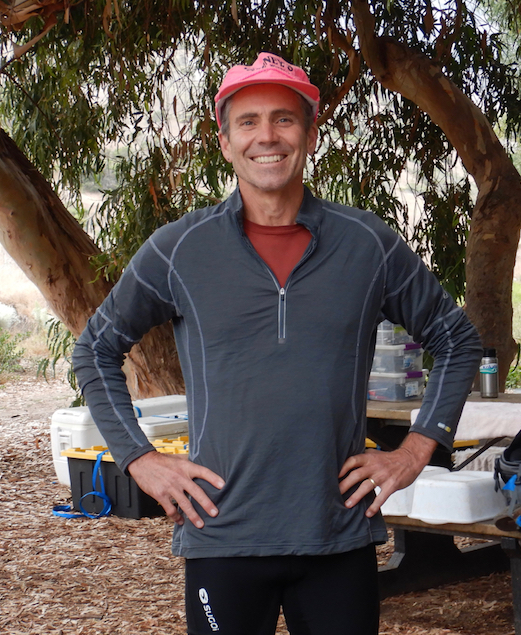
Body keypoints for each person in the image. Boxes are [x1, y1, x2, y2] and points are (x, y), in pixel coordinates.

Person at [72, 51, 481, 635]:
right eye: (249, 121)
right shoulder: (180, 249)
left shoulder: (367, 244)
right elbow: (95, 350)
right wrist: (140, 459)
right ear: (225, 142)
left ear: (309, 136)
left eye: (284, 119)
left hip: (336, 533)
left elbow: (457, 339)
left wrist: (417, 450)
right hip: (222, 533)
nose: (267, 136)